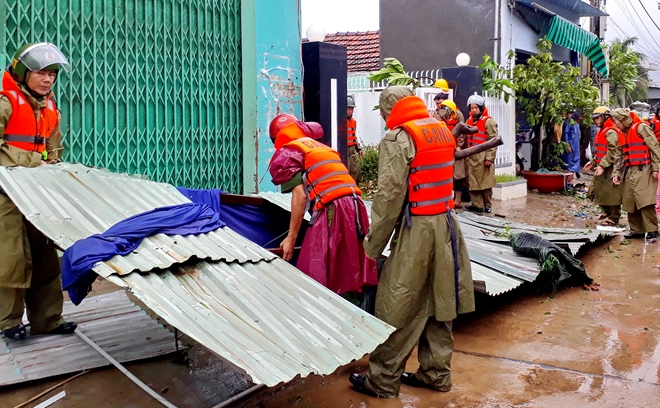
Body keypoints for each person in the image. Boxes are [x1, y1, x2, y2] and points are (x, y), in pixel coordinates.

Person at [348, 86, 475, 398]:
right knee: (441, 301)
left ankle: (382, 380)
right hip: (447, 225)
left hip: (418, 229)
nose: (382, 118)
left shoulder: (398, 138)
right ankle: (436, 373)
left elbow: (389, 198)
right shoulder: (439, 130)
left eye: (382, 112)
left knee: (398, 304)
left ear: (390, 109)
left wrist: (372, 247)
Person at [0, 42, 77, 340]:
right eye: (41, 73)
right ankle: (7, 323)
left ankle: (48, 320)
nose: (47, 80)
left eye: (52, 75)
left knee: (45, 259)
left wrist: (53, 171)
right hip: (6, 194)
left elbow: (53, 149)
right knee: (11, 260)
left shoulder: (50, 108)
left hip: (38, 194)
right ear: (23, 73)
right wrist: (32, 162)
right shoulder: (5, 102)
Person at [267, 114, 378, 296]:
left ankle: (327, 311)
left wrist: (291, 238)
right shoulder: (319, 147)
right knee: (349, 263)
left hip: (333, 207)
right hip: (357, 206)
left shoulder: (289, 152)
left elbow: (300, 196)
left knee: (318, 265)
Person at [611, 108, 660, 239]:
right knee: (629, 200)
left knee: (645, 200)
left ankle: (652, 229)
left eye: (616, 121)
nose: (615, 124)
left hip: (645, 168)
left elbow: (654, 147)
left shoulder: (641, 127)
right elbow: (620, 156)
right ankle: (637, 230)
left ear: (623, 119)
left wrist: (656, 168)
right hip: (630, 169)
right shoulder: (623, 133)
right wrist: (616, 173)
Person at [583, 107, 623, 226]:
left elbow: (613, 152)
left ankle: (614, 217)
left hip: (610, 167)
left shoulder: (611, 131)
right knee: (596, 190)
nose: (595, 121)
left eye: (598, 118)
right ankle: (606, 212)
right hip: (602, 165)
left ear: (605, 117)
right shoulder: (602, 130)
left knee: (612, 193)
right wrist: (593, 162)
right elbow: (602, 150)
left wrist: (602, 165)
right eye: (594, 118)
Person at [435, 99, 475, 208]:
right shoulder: (437, 116)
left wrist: (460, 146)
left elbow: (461, 130)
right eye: (438, 104)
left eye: (441, 104)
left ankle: (457, 200)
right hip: (444, 149)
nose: (439, 106)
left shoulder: (457, 115)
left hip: (455, 148)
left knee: (457, 175)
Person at [465, 94, 498, 214]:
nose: (473, 110)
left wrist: (490, 158)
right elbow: (464, 136)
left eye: (476, 108)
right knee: (473, 182)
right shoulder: (468, 121)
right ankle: (476, 205)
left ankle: (487, 204)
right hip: (471, 155)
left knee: (485, 182)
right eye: (472, 108)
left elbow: (493, 141)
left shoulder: (488, 122)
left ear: (481, 108)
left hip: (483, 156)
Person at [561, 111, 581, 179]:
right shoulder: (569, 122)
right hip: (571, 146)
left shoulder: (577, 124)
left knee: (575, 163)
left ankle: (572, 177)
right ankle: (568, 180)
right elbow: (565, 134)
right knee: (569, 164)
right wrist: (567, 145)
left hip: (576, 146)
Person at [346, 95, 362, 183]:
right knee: (347, 170)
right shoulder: (340, 122)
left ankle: (356, 187)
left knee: (356, 169)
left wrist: (358, 148)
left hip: (353, 150)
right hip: (345, 150)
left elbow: (354, 136)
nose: (350, 111)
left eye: (351, 109)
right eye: (348, 109)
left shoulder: (353, 122)